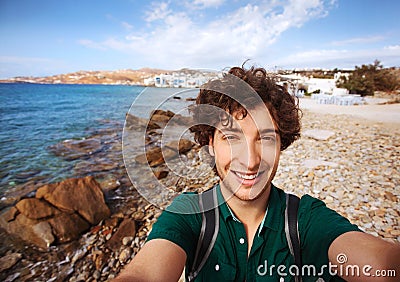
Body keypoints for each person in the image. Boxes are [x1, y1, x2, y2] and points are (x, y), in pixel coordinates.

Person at [114, 65, 400, 281]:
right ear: (210, 143)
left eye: (266, 139)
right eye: (231, 137)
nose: (250, 162)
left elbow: (382, 265)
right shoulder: (189, 214)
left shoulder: (305, 220)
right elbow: (144, 274)